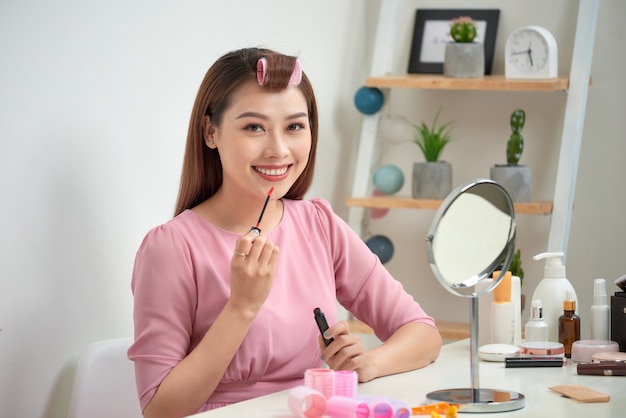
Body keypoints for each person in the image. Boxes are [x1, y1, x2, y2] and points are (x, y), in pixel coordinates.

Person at [128, 47, 442, 418]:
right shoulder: (171, 248)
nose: (278, 150)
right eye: (253, 127)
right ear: (211, 132)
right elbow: (159, 408)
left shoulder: (319, 224)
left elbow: (423, 333)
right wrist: (241, 307)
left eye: (294, 126)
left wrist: (370, 364)